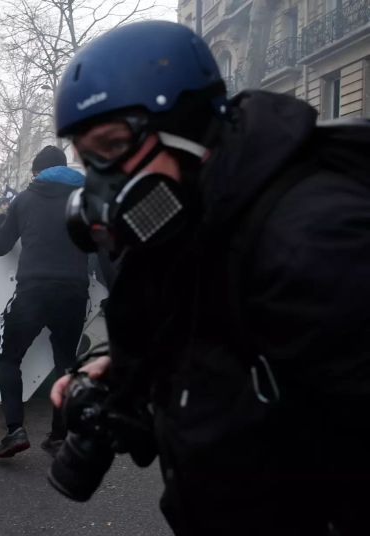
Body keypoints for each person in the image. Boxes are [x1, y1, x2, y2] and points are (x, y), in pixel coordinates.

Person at [49, 21, 370, 536]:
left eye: (112, 146)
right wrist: (133, 376)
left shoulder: (314, 243)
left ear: (188, 128)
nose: (101, 183)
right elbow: (241, 373)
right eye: (88, 159)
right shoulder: (202, 216)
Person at [0, 145, 88, 458]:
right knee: (66, 363)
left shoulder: (25, 200)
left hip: (33, 290)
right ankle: (59, 435)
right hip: (74, 292)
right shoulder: (84, 199)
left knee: (9, 359)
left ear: (36, 172)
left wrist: (3, 223)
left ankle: (15, 430)